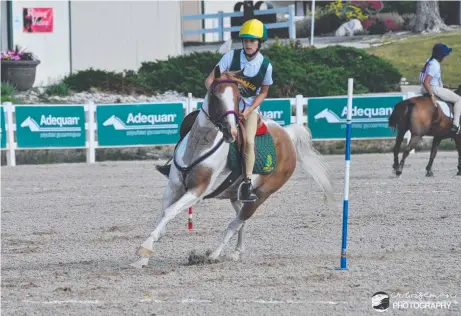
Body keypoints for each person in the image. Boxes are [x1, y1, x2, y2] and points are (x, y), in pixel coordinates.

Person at [155, 18, 273, 202]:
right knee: (192, 124)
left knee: (249, 141)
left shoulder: (266, 66)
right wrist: (218, 98)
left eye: (252, 41)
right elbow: (209, 80)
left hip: (246, 111)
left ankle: (247, 183)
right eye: (246, 40)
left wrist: (250, 110)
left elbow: (264, 92)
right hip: (224, 108)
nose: (248, 44)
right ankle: (174, 165)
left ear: (259, 43)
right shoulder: (230, 57)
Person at [419, 43, 461, 134]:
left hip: (424, 88)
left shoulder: (429, 61)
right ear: (441, 55)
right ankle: (455, 125)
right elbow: (426, 82)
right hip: (432, 89)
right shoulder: (435, 65)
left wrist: (442, 85)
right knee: (459, 100)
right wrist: (432, 95)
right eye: (445, 55)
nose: (446, 57)